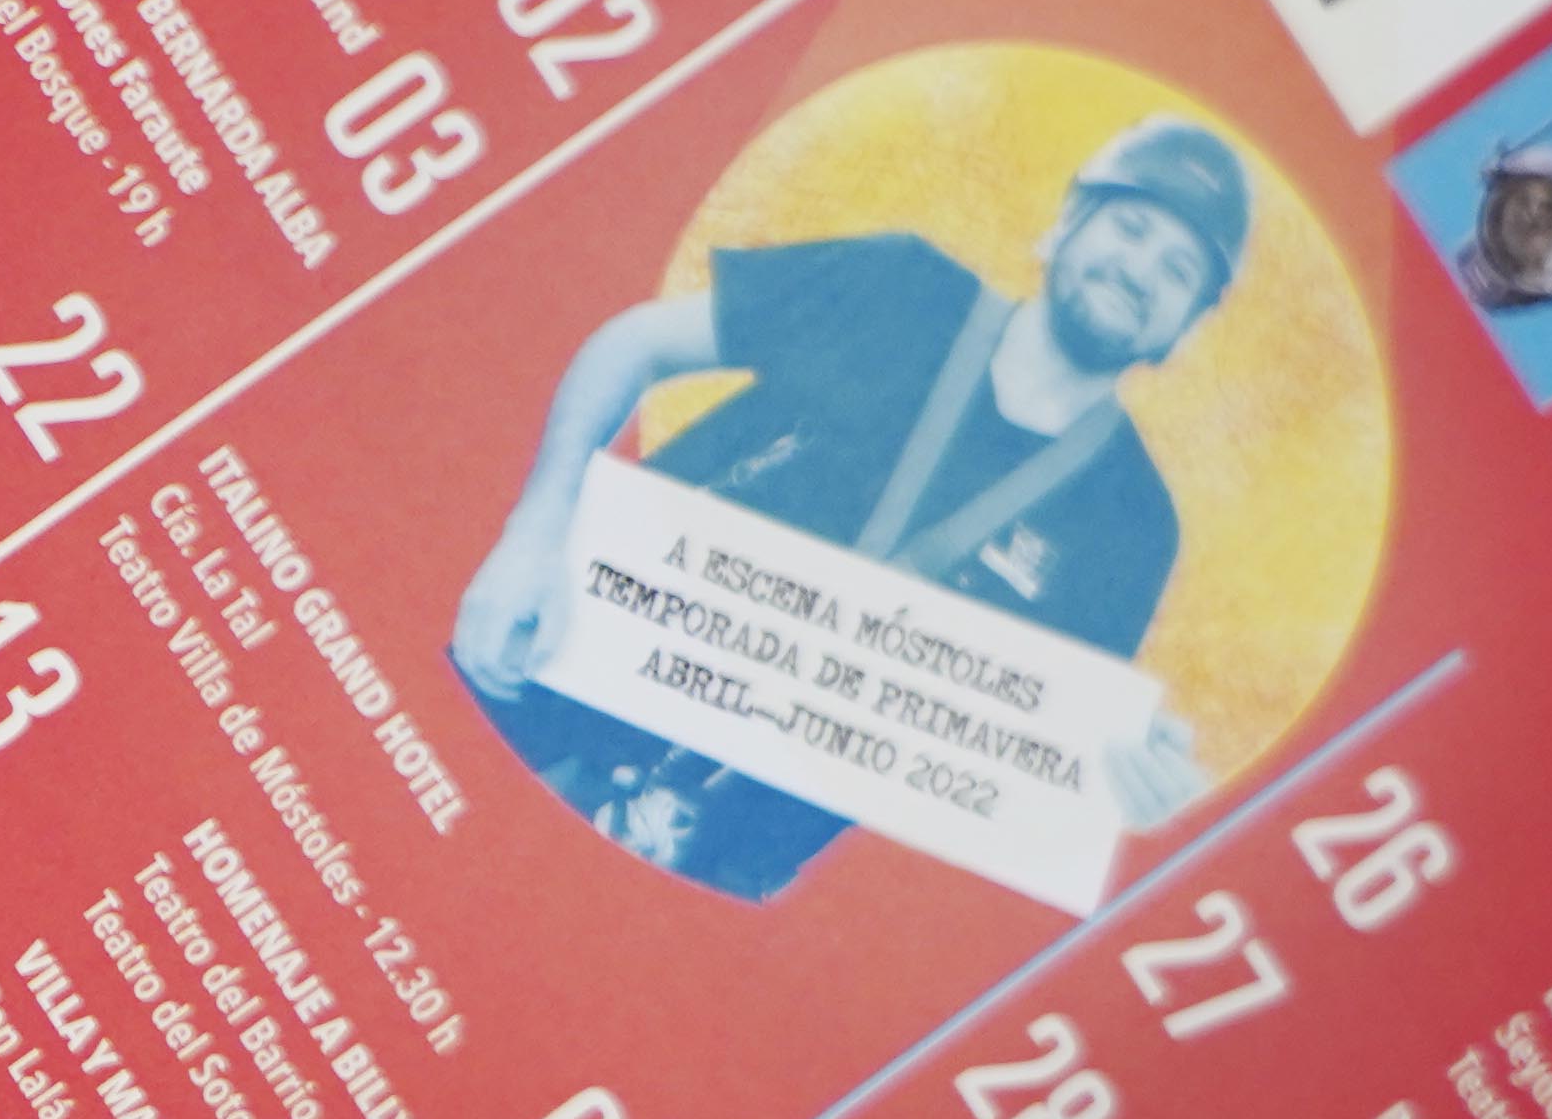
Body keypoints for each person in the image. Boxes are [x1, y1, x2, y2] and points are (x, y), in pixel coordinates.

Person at [451, 116, 1255, 899]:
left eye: (1178, 271)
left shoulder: (1135, 527)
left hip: (706, 875)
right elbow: (637, 342)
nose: (1141, 270)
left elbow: (1026, 763)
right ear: (1069, 221)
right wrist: (535, 532)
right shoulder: (901, 288)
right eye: (1132, 229)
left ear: (1183, 330)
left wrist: (1115, 787)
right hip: (529, 693)